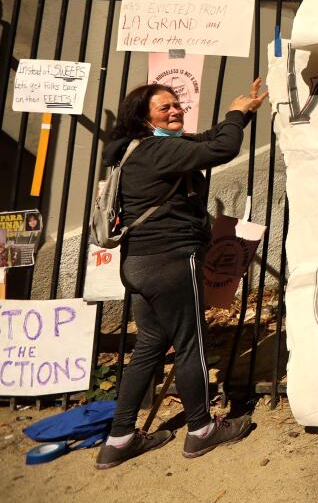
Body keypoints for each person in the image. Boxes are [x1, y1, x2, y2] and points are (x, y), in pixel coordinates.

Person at [94, 78, 268, 469]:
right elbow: (222, 147)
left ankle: (119, 439)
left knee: (150, 345)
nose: (175, 111)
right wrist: (236, 117)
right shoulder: (157, 150)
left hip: (138, 264)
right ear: (144, 118)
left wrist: (240, 113)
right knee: (192, 343)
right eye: (164, 108)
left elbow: (204, 140)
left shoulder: (134, 150)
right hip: (171, 260)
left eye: (177, 105)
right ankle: (201, 431)